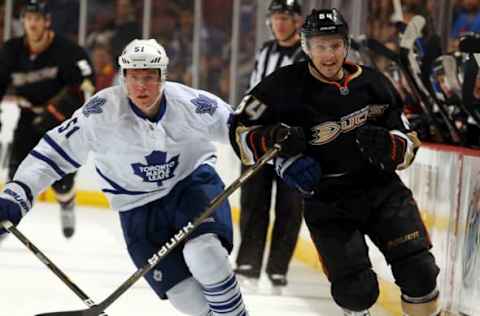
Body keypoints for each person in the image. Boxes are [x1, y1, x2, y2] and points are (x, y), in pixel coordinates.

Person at [0, 38, 249, 316]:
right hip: (136, 208)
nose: (141, 86)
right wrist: (16, 195)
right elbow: (53, 153)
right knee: (184, 296)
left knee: (204, 253)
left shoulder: (189, 103)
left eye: (149, 77)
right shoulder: (101, 113)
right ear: (123, 77)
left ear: (162, 77)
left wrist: (265, 139)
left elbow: (239, 128)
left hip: (190, 186)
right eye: (133, 77)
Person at [229, 8, 442, 316]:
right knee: (355, 292)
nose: (328, 55)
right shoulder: (281, 86)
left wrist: (390, 146)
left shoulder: (373, 84)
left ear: (346, 45)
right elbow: (239, 131)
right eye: (319, 46)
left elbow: (408, 142)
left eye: (335, 45)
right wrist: (273, 140)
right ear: (306, 46)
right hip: (328, 200)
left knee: (419, 272)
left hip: (382, 191)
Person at [0, 0, 95, 238]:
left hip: (60, 123)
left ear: (47, 22)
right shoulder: (11, 50)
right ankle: (3, 228)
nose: (32, 23)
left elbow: (86, 84)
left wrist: (61, 110)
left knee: (61, 182)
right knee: (15, 176)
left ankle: (66, 202)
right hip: (28, 118)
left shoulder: (67, 50)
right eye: (28, 18)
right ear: (23, 21)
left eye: (37, 19)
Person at [234, 0, 305, 287]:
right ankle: (248, 262)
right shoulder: (265, 51)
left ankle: (278, 268)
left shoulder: (306, 55)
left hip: (292, 142)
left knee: (289, 206)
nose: (279, 23)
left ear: (297, 21)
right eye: (275, 17)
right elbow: (253, 91)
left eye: (285, 17)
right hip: (259, 138)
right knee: (252, 201)